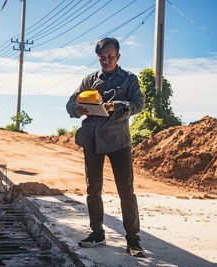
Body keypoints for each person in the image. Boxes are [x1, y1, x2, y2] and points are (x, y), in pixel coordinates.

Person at [66, 37, 145, 257]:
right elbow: (70, 103)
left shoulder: (129, 79)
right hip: (92, 140)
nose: (106, 60)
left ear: (118, 56)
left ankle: (133, 240)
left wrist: (117, 106)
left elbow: (139, 103)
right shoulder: (89, 80)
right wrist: (77, 109)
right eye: (102, 57)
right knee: (93, 190)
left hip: (119, 141)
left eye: (110, 56)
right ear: (98, 58)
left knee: (126, 192)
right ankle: (97, 233)